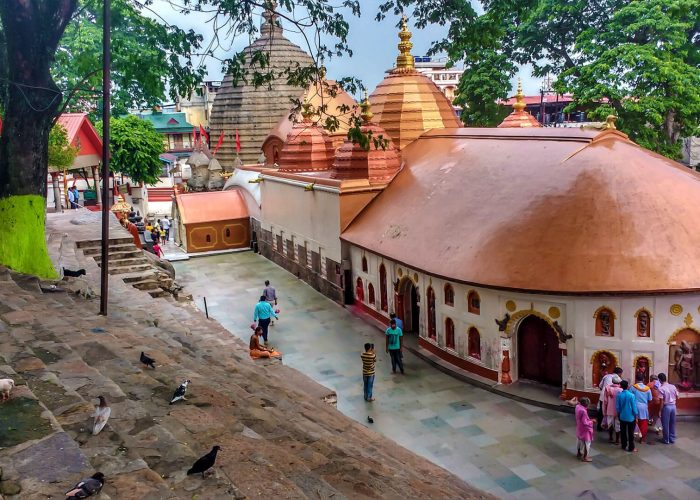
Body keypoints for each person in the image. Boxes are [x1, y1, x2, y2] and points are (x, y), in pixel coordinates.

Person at [597, 366, 623, 431]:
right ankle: (612, 427)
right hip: (612, 398)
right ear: (619, 373)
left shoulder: (606, 376)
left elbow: (600, 386)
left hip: (603, 396)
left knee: (601, 412)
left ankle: (600, 426)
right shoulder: (619, 379)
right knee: (612, 413)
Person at [616, 380, 638, 453]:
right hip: (631, 417)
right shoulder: (631, 395)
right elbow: (634, 407)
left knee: (623, 431)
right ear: (627, 386)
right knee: (631, 433)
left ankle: (624, 445)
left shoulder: (619, 395)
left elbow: (617, 407)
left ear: (621, 386)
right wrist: (636, 415)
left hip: (622, 416)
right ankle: (631, 447)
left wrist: (618, 414)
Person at [630, 374, 653, 444]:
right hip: (644, 407)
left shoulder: (633, 387)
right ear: (643, 380)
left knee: (634, 422)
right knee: (643, 423)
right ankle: (643, 439)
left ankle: (634, 436)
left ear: (636, 379)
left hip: (635, 406)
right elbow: (650, 399)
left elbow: (630, 398)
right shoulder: (647, 388)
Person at [658, 373, 679, 444]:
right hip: (673, 406)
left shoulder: (661, 388)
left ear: (659, 380)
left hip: (666, 407)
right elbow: (678, 396)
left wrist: (660, 411)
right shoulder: (673, 386)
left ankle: (666, 439)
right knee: (672, 423)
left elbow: (661, 401)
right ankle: (672, 438)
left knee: (665, 423)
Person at [602, 374, 622, 444]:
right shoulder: (621, 390)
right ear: (619, 383)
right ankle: (617, 439)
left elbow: (605, 401)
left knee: (609, 424)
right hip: (618, 410)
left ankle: (610, 437)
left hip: (609, 409)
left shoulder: (607, 389)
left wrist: (604, 410)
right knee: (618, 425)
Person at [575, 397, 594, 462]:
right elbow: (585, 422)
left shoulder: (577, 406)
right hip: (585, 429)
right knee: (587, 442)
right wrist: (592, 421)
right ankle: (585, 457)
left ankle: (578, 452)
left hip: (579, 426)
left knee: (579, 440)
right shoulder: (583, 411)